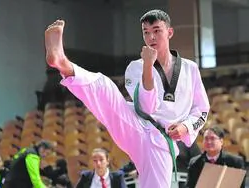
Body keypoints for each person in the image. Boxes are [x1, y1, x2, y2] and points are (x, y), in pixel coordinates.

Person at [44, 9, 210, 188]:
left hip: (161, 141)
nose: (151, 37)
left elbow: (202, 109)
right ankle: (63, 63)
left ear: (169, 32)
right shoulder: (136, 67)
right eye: (146, 32)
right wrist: (147, 66)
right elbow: (147, 107)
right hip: (137, 124)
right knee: (104, 86)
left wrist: (186, 127)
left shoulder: (190, 69)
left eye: (156, 30)